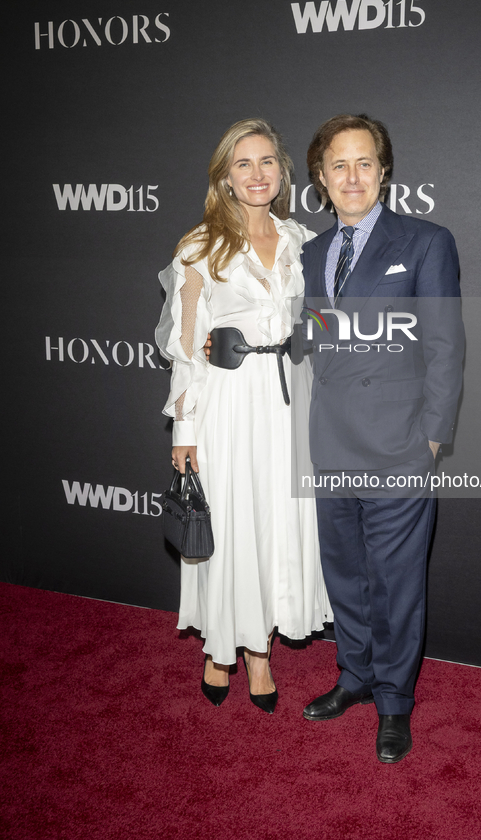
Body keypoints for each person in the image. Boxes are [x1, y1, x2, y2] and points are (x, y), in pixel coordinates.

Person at [301, 114, 464, 760]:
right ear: (320, 178)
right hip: (332, 442)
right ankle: (355, 677)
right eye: (337, 165)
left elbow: (446, 348)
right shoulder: (312, 253)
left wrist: (431, 439)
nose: (351, 176)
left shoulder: (426, 242)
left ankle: (394, 701)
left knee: (396, 580)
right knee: (344, 574)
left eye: (363, 162)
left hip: (399, 446)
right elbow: (317, 345)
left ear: (384, 171)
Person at [156, 119, 331, 713]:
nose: (257, 175)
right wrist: (185, 428)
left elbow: (321, 319)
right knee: (229, 530)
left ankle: (258, 652)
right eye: (242, 165)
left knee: (275, 525)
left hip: (290, 402)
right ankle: (222, 648)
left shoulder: (303, 240)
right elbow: (185, 347)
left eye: (266, 163)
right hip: (228, 404)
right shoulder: (198, 248)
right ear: (224, 178)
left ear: (282, 172)